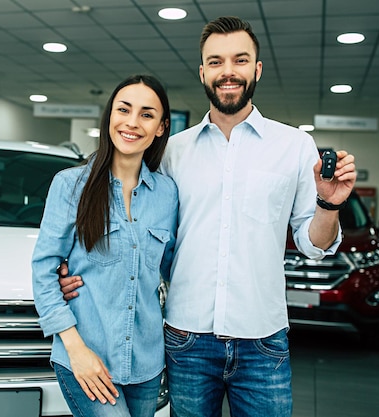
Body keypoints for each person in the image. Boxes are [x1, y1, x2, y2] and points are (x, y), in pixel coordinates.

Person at [58, 16, 357, 417]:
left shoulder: (295, 146)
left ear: (257, 69)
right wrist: (76, 267)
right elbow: (134, 232)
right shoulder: (171, 154)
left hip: (263, 341)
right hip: (187, 340)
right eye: (216, 62)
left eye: (240, 60)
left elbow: (313, 244)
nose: (228, 71)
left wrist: (329, 204)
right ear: (202, 72)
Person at [32, 74, 178, 417]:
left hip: (146, 363)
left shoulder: (167, 194)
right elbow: (43, 268)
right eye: (123, 110)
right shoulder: (70, 185)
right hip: (86, 356)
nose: (131, 122)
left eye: (146, 114)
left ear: (160, 127)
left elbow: (170, 269)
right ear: (109, 116)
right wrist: (75, 349)